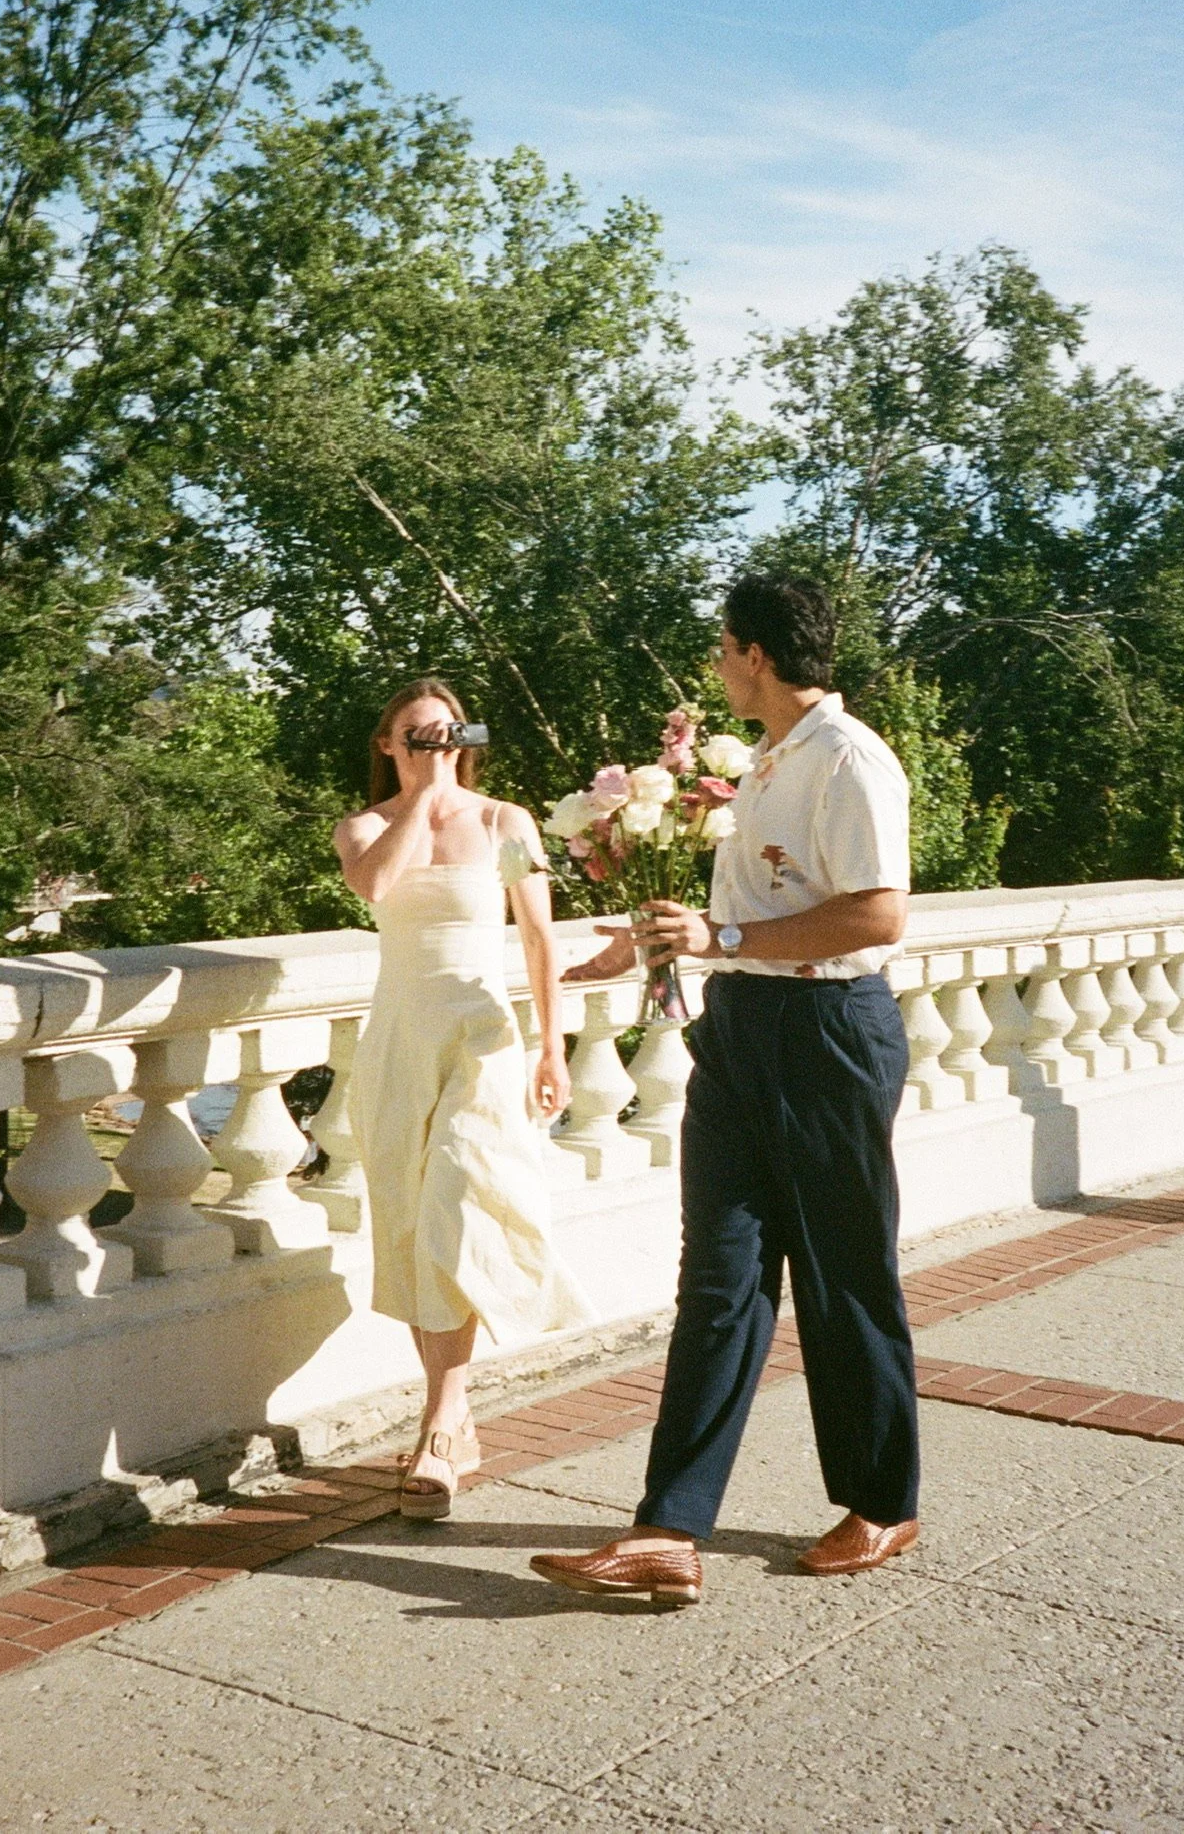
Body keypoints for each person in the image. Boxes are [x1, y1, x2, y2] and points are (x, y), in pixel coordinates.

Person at [531, 575, 917, 1608]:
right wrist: (653, 941)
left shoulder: (849, 758)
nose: (715, 664)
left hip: (828, 1033)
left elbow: (879, 916)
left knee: (843, 1273)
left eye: (720, 647)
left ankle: (882, 1502)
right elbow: (753, 900)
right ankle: (668, 1529)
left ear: (753, 654)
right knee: (721, 1277)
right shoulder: (766, 764)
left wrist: (727, 939)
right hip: (742, 1024)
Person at [335, 677, 591, 1521]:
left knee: (455, 1202)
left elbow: (540, 934)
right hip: (400, 1044)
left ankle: (441, 1422)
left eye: (444, 734)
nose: (431, 744)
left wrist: (553, 1045)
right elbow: (375, 886)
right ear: (386, 743)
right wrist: (423, 795)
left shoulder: (506, 824)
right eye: (413, 734)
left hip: (482, 1039)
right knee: (412, 1228)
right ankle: (455, 1423)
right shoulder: (365, 827)